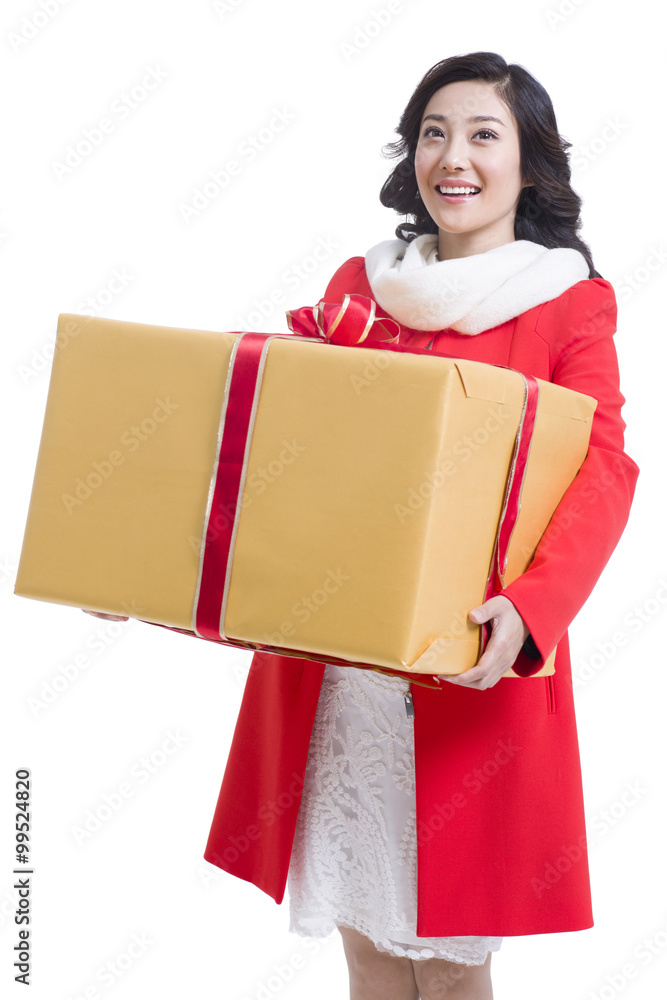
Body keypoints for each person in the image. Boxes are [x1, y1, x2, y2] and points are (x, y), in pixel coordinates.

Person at [88, 52, 640, 1000]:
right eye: (433, 132)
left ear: (529, 164)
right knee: (370, 956)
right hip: (339, 679)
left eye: (481, 134)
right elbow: (272, 447)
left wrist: (529, 610)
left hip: (469, 669)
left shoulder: (567, 303)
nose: (452, 156)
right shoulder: (363, 288)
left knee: (452, 969)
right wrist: (147, 561)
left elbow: (602, 468)